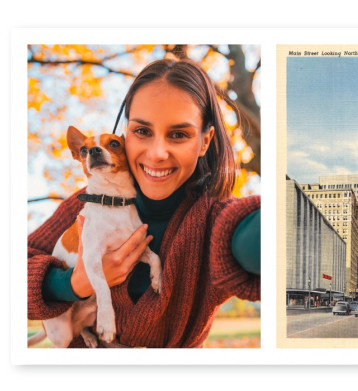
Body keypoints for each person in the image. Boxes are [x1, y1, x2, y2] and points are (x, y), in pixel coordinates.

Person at [27, 58, 260, 348]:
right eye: (142, 131)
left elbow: (253, 239)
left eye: (178, 134)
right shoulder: (83, 204)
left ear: (204, 141)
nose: (156, 153)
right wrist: (72, 284)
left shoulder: (214, 220)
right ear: (125, 135)